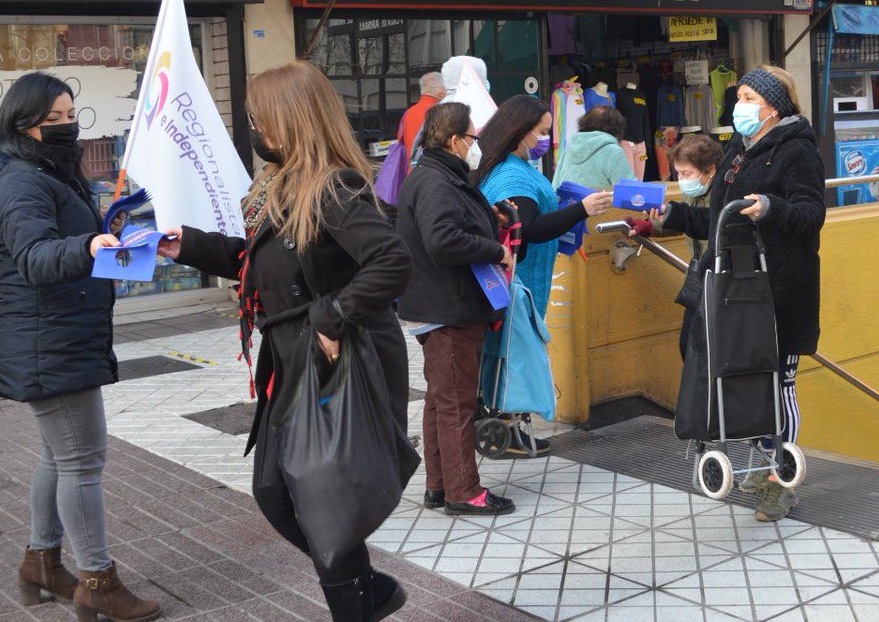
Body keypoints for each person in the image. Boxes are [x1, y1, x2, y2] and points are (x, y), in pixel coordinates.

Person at [157, 61, 412, 621]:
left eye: (258, 120)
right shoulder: (278, 186)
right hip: (292, 357)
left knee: (317, 496)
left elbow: (391, 260)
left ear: (290, 122)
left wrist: (332, 314)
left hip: (331, 357)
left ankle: (358, 604)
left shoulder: (332, 186)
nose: (254, 132)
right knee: (278, 493)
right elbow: (261, 264)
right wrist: (189, 247)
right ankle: (366, 593)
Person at [0, 72, 160, 622]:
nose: (67, 127)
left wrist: (108, 232)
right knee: (82, 461)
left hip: (58, 334)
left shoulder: (43, 171)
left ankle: (42, 564)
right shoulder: (18, 182)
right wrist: (89, 242)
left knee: (59, 456)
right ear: (22, 124)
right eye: (54, 121)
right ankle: (98, 580)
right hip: (49, 338)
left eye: (72, 116)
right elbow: (36, 259)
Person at [653, 66, 824, 523]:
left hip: (779, 290)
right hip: (731, 286)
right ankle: (761, 457)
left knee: (779, 382)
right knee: (742, 376)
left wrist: (770, 208)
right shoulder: (738, 149)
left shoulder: (799, 150)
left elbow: (812, 214)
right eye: (740, 96)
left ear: (773, 106)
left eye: (748, 97)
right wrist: (672, 216)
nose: (739, 105)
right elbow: (718, 221)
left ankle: (780, 480)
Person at [471, 95, 613, 458]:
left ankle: (508, 427)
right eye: (541, 132)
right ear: (519, 132)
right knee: (513, 356)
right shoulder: (512, 175)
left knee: (507, 353)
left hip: (516, 281)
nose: (545, 140)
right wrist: (580, 209)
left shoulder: (511, 166)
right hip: (519, 283)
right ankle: (506, 430)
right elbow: (529, 229)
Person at [397, 102, 517, 516]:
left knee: (441, 400)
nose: (475, 145)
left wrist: (490, 218)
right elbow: (444, 240)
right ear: (453, 140)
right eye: (472, 138)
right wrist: (496, 248)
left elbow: (452, 225)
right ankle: (464, 492)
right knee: (456, 403)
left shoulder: (436, 174)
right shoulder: (436, 182)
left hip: (443, 304)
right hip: (448, 307)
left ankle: (439, 485)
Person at [630, 134, 724, 361]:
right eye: (678, 173)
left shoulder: (724, 195)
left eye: (687, 173)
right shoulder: (694, 192)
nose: (681, 180)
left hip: (720, 282)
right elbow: (685, 222)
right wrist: (650, 227)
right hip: (696, 278)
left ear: (710, 170)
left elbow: (704, 223)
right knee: (688, 346)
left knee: (710, 352)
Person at [551, 105, 637, 189]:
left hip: (569, 203)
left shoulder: (569, 149)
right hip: (600, 203)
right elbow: (629, 190)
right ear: (617, 127)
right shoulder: (612, 151)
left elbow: (555, 186)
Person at [400, 71, 444, 161]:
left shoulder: (408, 113)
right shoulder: (439, 112)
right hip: (433, 169)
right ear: (441, 92)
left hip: (413, 171)